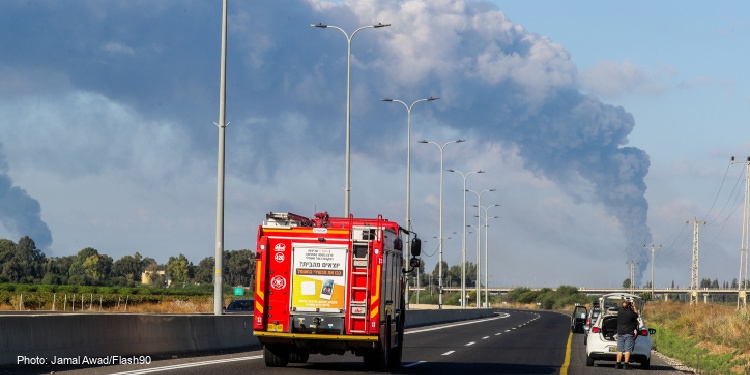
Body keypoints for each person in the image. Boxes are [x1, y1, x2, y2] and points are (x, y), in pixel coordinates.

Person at [615, 300, 639, 369]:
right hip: (628, 333)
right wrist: (634, 306)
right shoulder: (630, 313)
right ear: (629, 306)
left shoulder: (619, 311)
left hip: (620, 332)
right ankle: (626, 364)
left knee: (620, 349)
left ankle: (617, 364)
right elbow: (636, 314)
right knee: (627, 349)